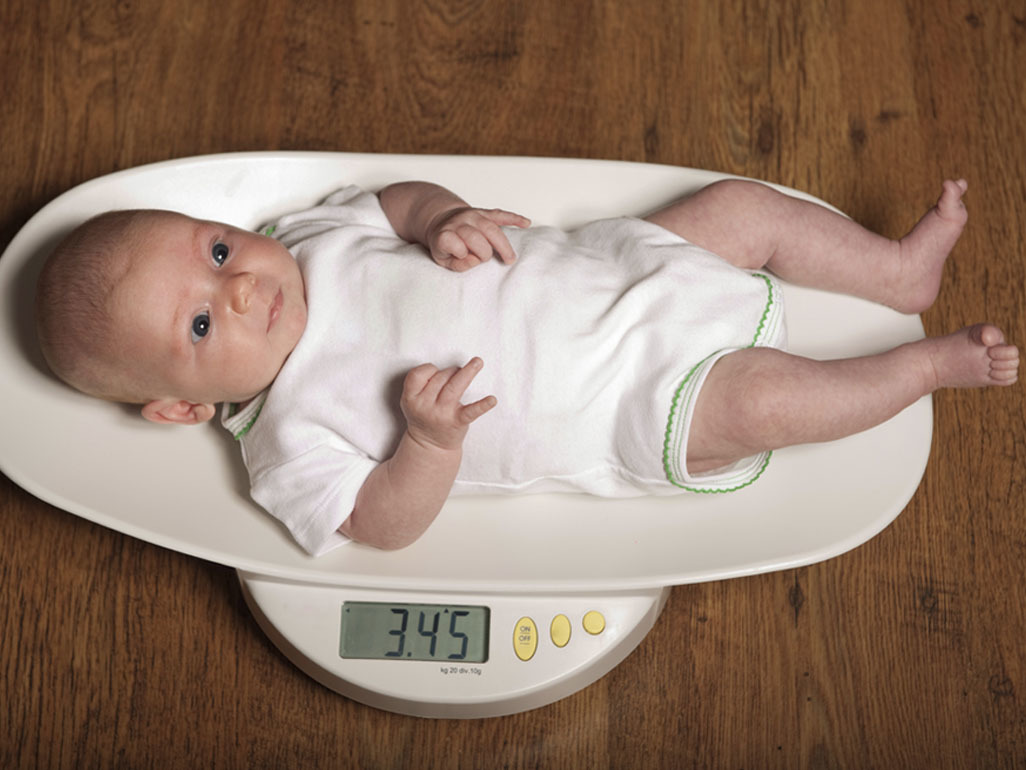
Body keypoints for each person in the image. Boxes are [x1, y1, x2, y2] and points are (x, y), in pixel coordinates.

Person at [34, 177, 1019, 553]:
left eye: (215, 252)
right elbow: (381, 525)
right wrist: (426, 442)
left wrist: (440, 218)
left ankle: (896, 270)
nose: (243, 286)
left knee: (743, 209)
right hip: (625, 407)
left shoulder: (302, 235)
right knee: (763, 402)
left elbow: (395, 200)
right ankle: (922, 370)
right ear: (178, 407)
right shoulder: (284, 445)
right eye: (204, 327)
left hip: (617, 259)